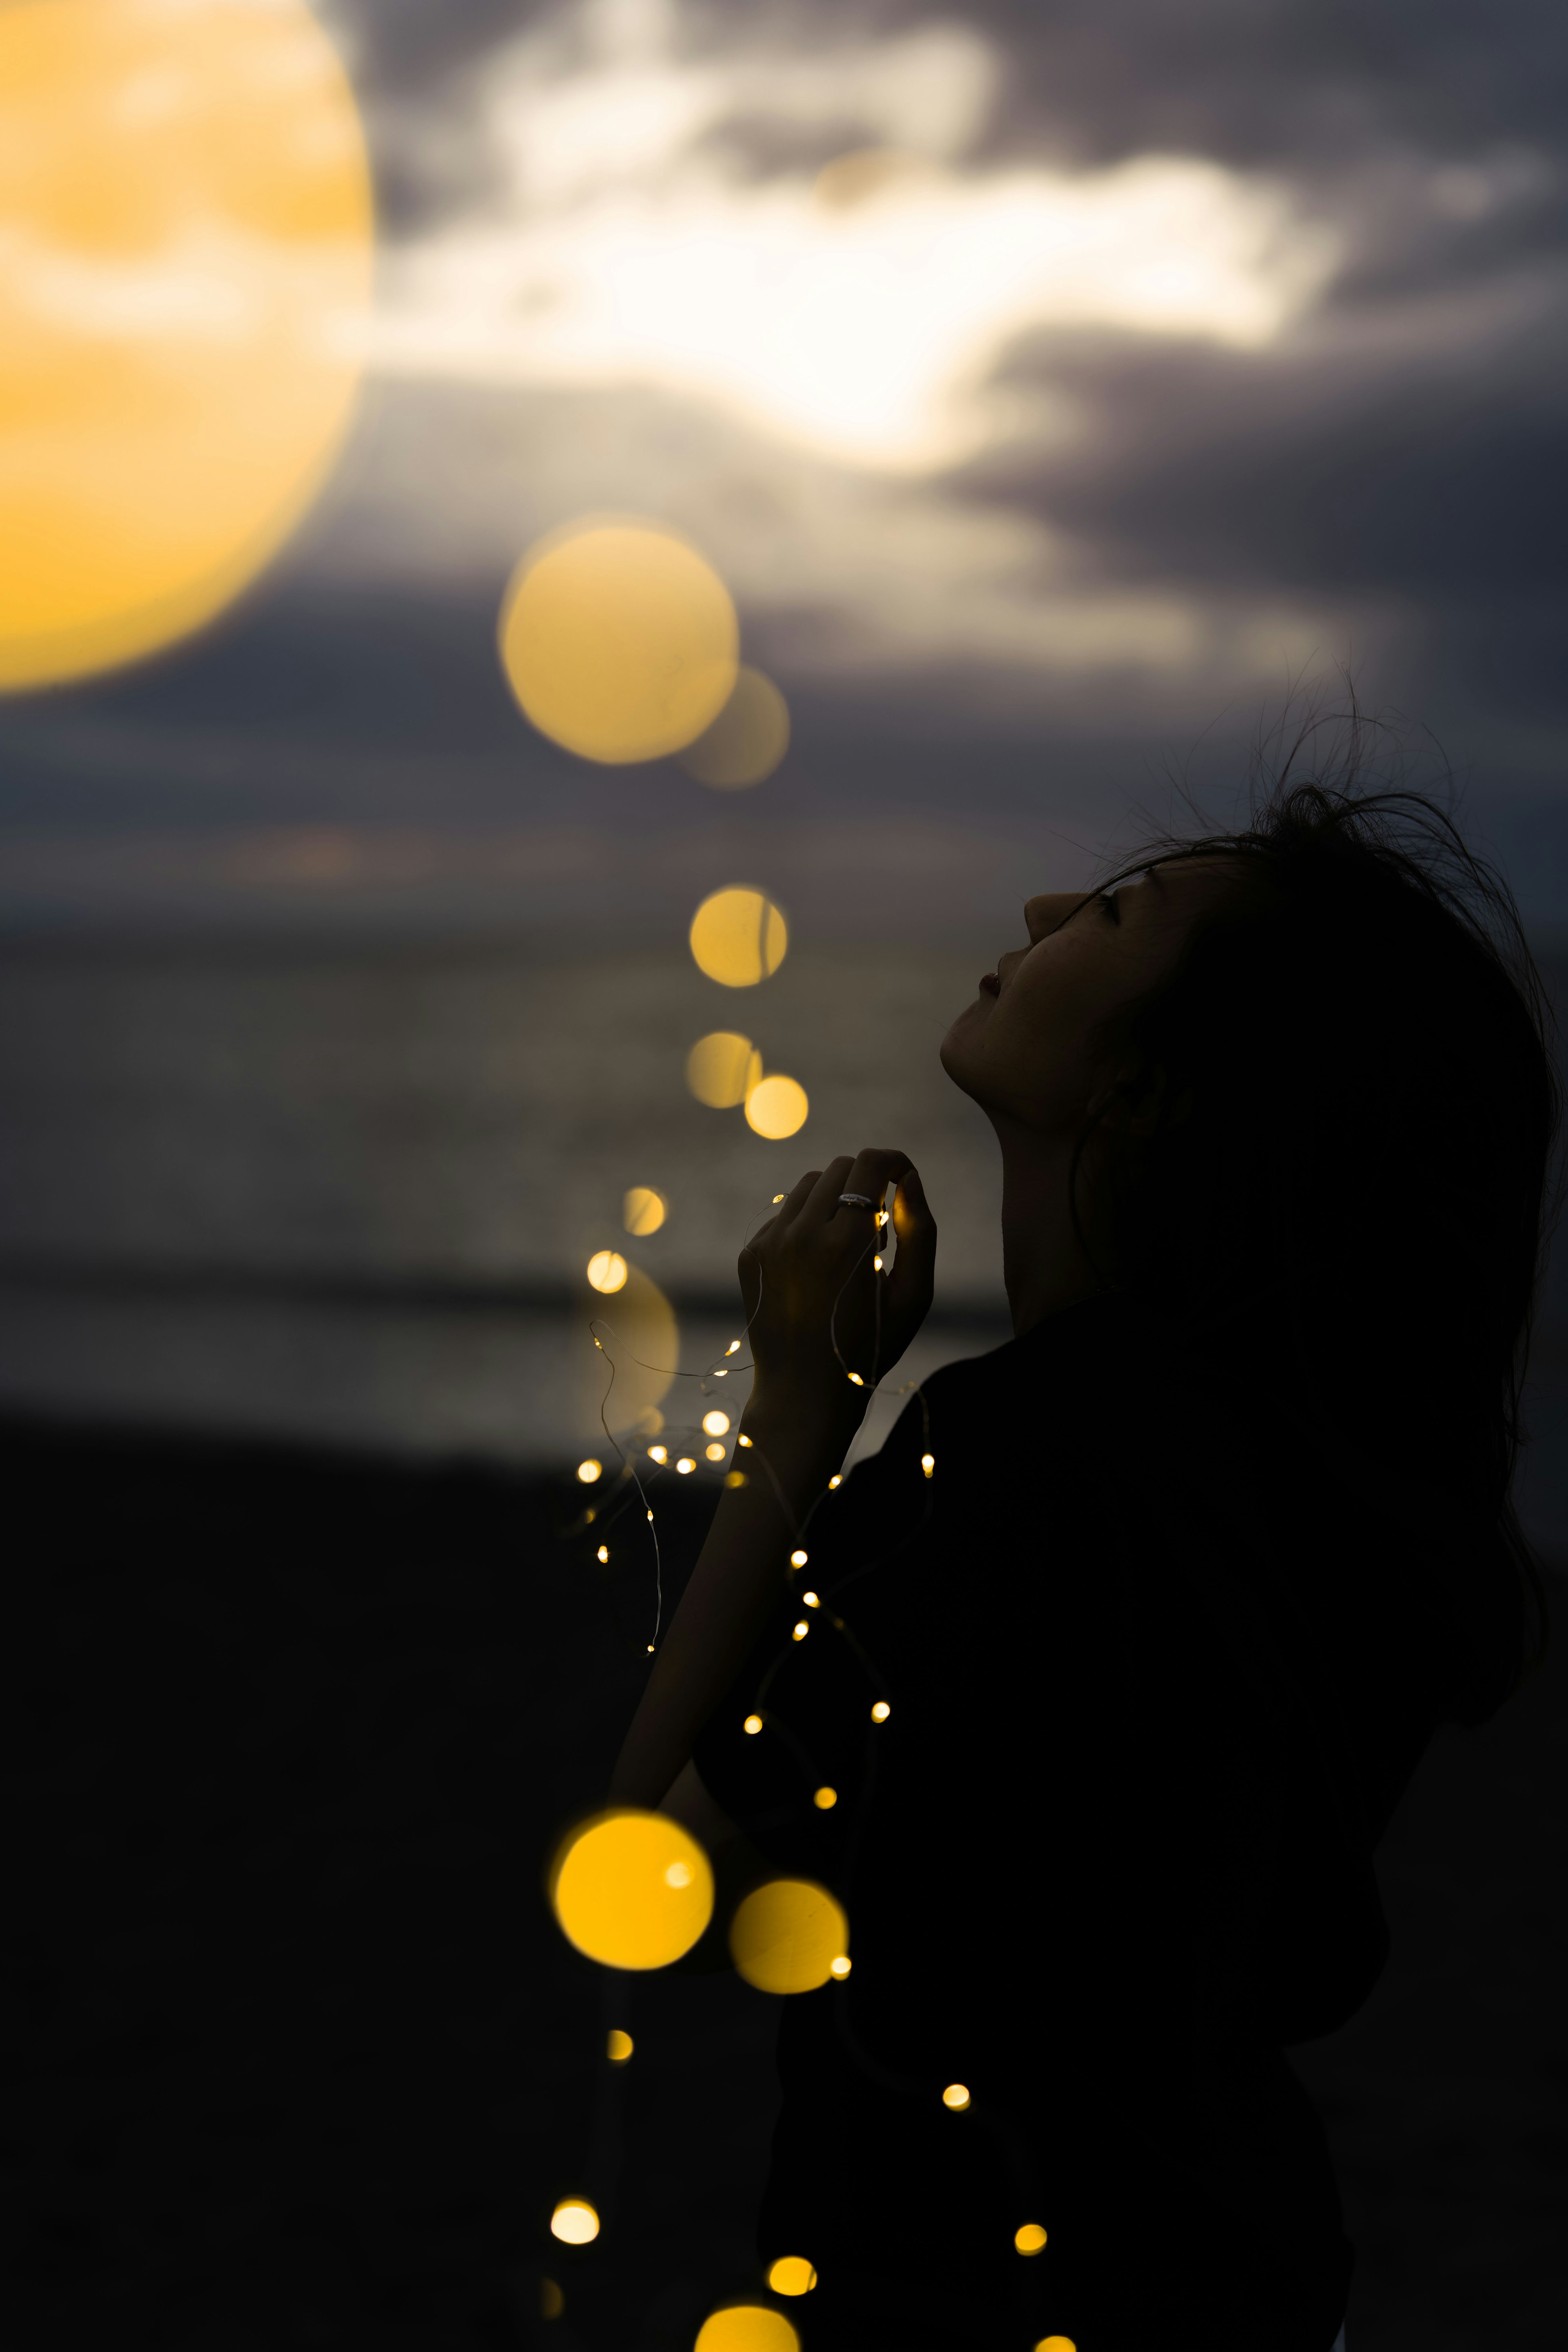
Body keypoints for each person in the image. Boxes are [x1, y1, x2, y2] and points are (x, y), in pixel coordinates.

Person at [609, 754, 1558, 2352]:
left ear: (1150, 1089)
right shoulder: (1274, 1473)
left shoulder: (1037, 1461)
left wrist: (797, 1405)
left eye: (1113, 914)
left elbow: (660, 1884)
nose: (1043, 908)